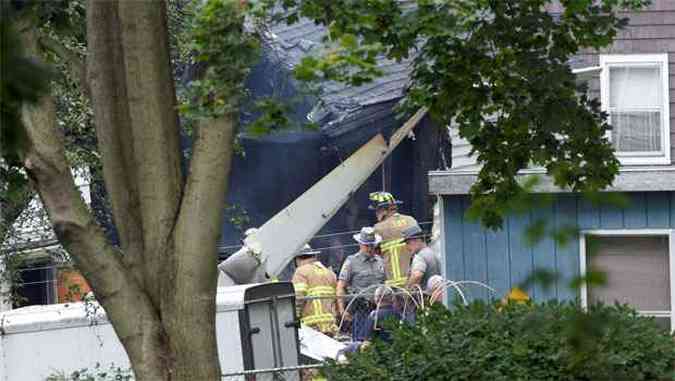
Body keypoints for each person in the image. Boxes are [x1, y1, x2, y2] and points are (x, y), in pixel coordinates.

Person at [337, 227, 386, 341]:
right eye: (366, 245)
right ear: (360, 244)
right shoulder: (351, 262)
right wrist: (342, 310)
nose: (370, 248)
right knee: (360, 342)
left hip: (379, 309)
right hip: (361, 310)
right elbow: (340, 286)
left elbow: (384, 283)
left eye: (372, 245)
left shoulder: (380, 261)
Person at [369, 191, 419, 287]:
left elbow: (373, 254)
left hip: (392, 284)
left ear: (384, 210)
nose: (376, 214)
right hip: (412, 280)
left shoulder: (378, 228)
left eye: (377, 210)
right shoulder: (410, 220)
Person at [291, 244, 338, 335]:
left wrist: (294, 318)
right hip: (330, 324)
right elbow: (335, 299)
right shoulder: (329, 273)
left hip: (312, 326)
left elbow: (298, 298)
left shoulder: (301, 271)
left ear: (297, 259)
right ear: (314, 256)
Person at [403, 224, 442, 291]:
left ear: (417, 240)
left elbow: (417, 275)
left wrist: (407, 292)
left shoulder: (420, 256)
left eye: (408, 243)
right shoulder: (432, 252)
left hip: (426, 298)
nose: (407, 247)